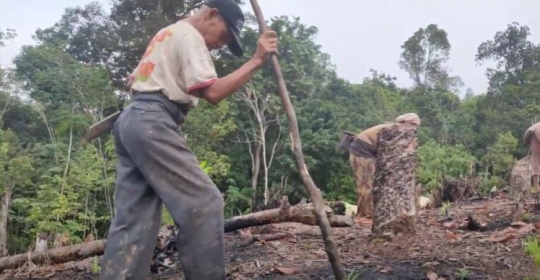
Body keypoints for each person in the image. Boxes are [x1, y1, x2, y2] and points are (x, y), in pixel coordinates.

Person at [99, 0, 278, 279]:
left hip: (131, 120)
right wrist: (256, 61)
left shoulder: (168, 32)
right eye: (225, 34)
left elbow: (135, 79)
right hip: (152, 120)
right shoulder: (190, 36)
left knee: (134, 218)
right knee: (205, 202)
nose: (222, 43)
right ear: (212, 14)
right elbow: (214, 93)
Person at [342, 113, 420, 219]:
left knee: (374, 184)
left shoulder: (396, 131)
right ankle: (364, 215)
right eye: (413, 124)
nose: (414, 128)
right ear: (404, 122)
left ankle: (372, 213)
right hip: (362, 152)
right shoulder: (393, 130)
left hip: (369, 153)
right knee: (366, 185)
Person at [524, 122, 540, 203]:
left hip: (532, 138)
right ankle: (537, 191)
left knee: (536, 163)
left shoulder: (536, 126)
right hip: (533, 136)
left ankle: (537, 189)